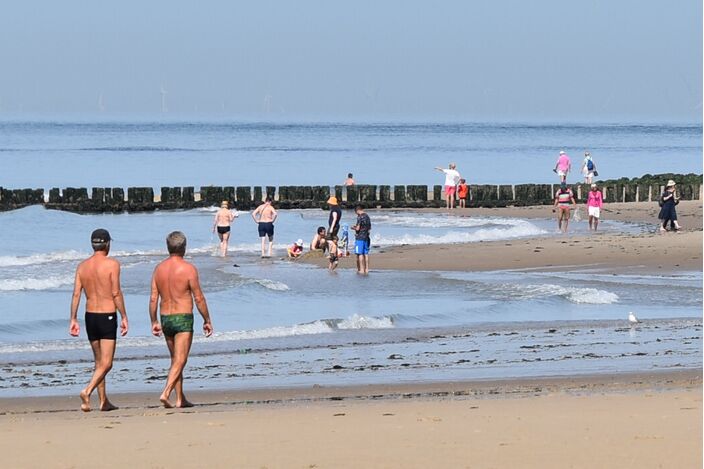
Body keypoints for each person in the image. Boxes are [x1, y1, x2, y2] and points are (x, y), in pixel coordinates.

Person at [149, 231, 213, 408]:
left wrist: (153, 321)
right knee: (181, 359)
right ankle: (166, 392)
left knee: (175, 360)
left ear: (167, 247)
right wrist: (207, 319)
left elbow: (154, 298)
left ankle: (180, 398)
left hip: (165, 318)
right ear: (184, 247)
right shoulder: (188, 269)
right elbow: (199, 297)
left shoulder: (159, 269)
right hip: (183, 317)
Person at [69, 228, 128, 412]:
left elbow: (76, 294)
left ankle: (103, 401)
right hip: (107, 315)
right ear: (108, 244)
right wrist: (124, 315)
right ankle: (87, 391)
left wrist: (73, 318)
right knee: (107, 363)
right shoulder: (112, 264)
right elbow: (115, 292)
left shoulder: (82, 266)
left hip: (90, 316)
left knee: (99, 362)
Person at [351, 205, 372, 274]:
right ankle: (367, 269)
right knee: (366, 253)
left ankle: (361, 269)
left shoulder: (360, 217)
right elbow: (369, 228)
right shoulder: (367, 216)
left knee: (360, 253)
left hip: (360, 237)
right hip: (366, 237)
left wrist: (353, 228)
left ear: (357, 211)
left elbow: (358, 228)